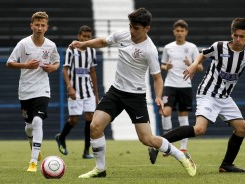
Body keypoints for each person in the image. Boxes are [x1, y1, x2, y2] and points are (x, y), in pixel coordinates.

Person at [69, 7, 196, 178]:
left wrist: (158, 97)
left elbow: (157, 78)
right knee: (95, 126)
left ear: (146, 28)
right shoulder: (123, 35)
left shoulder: (149, 50)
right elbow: (103, 42)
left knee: (147, 139)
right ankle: (100, 169)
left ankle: (182, 156)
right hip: (115, 92)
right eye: (130, 26)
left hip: (135, 96)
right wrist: (83, 44)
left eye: (136, 28)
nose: (131, 31)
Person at [150, 17, 245, 172]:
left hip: (225, 97)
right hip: (208, 93)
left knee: (241, 129)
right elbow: (202, 54)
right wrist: (194, 64)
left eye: (242, 36)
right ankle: (157, 143)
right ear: (232, 33)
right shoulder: (219, 47)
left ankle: (226, 165)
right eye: (235, 35)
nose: (238, 39)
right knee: (200, 129)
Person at [6, 11, 60, 172]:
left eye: (43, 25)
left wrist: (53, 68)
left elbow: (57, 62)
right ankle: (32, 141)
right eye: (37, 24)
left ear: (47, 27)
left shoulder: (50, 45)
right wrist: (26, 65)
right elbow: (9, 63)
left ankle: (33, 161)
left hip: (42, 89)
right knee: (29, 126)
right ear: (32, 26)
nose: (39, 28)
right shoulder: (23, 44)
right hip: (25, 90)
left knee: (38, 121)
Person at [148, 20, 203, 161]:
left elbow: (200, 67)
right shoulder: (168, 47)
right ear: (174, 32)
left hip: (185, 85)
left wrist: (190, 64)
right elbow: (162, 66)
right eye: (177, 30)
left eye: (182, 30)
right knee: (165, 112)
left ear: (186, 32)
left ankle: (183, 148)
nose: (179, 33)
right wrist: (167, 67)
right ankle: (167, 144)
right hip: (170, 84)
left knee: (183, 117)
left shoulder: (192, 47)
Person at [55, 25, 99, 159]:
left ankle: (86, 151)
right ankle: (61, 138)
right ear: (79, 36)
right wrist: (70, 87)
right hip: (75, 91)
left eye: (88, 37)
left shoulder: (92, 51)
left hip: (88, 91)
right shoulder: (71, 49)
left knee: (90, 120)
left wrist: (96, 94)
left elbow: (92, 72)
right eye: (84, 36)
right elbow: (65, 70)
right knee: (74, 120)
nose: (86, 38)